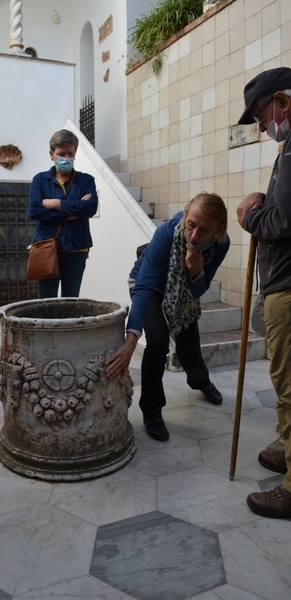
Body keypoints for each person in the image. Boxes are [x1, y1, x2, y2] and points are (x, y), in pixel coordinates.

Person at [106, 192, 230, 441]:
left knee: (189, 351)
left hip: (183, 294)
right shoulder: (168, 232)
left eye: (204, 230)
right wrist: (132, 336)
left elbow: (200, 290)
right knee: (158, 342)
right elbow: (144, 284)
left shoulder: (221, 245)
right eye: (191, 224)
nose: (194, 236)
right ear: (185, 215)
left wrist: (196, 271)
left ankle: (201, 382)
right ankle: (152, 413)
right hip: (148, 287)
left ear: (218, 230)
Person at [236, 66, 291, 518]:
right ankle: (287, 445)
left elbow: (282, 223)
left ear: (283, 102)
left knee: (289, 385)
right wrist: (265, 200)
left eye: (260, 115)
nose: (260, 126)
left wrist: (250, 216)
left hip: (287, 288)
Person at [28, 129, 98, 298]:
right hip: (46, 248)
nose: (66, 158)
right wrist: (71, 213)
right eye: (61, 154)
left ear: (75, 153)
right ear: (52, 155)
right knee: (46, 301)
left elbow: (90, 208)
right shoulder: (40, 180)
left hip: (76, 249)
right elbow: (35, 211)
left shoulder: (86, 180)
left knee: (71, 301)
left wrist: (57, 203)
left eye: (70, 153)